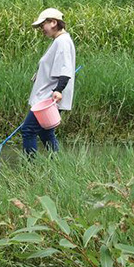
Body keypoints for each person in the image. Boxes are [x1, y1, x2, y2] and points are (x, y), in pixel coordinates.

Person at [21, 8, 76, 156]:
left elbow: (65, 70)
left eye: (42, 25)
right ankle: (57, 165)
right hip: (47, 96)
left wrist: (58, 90)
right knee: (45, 133)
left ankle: (29, 170)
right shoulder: (59, 41)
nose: (41, 29)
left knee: (28, 130)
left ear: (53, 22)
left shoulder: (62, 42)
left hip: (49, 98)